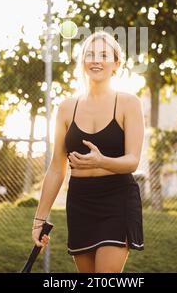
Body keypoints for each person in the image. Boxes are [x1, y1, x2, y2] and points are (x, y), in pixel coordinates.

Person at [32, 30, 145, 273]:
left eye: (104, 55)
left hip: (118, 199)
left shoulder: (128, 103)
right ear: (83, 62)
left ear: (116, 63)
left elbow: (133, 161)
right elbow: (56, 169)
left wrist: (102, 160)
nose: (96, 60)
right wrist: (39, 220)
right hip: (80, 201)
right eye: (90, 54)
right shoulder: (66, 108)